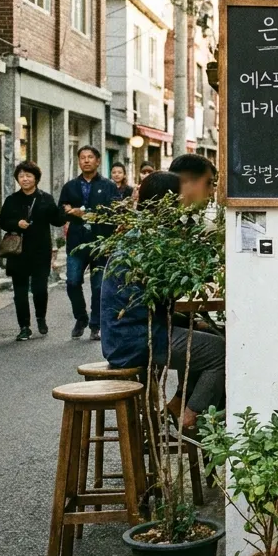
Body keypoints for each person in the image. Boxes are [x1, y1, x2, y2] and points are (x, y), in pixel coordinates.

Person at [101, 171, 225, 428]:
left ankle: (180, 405)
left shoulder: (141, 233)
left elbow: (153, 301)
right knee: (219, 352)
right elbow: (166, 293)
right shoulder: (151, 240)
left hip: (130, 332)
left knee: (206, 332)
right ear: (166, 202)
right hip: (136, 339)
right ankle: (189, 419)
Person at [57, 145, 119, 341]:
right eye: (82, 157)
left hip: (101, 242)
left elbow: (115, 212)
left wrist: (84, 213)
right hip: (76, 242)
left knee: (99, 286)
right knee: (72, 282)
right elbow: (60, 212)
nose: (86, 160)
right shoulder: (70, 186)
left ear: (98, 161)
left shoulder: (109, 186)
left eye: (90, 157)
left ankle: (96, 324)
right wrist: (67, 211)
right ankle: (81, 317)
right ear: (78, 161)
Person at [0, 161, 60, 341]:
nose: (24, 179)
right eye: (21, 176)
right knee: (20, 292)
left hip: (40, 250)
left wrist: (63, 212)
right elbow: (2, 222)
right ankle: (24, 326)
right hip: (18, 251)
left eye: (28, 176)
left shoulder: (45, 198)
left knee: (40, 289)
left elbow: (57, 220)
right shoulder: (12, 199)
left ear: (36, 178)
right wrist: (16, 224)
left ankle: (41, 317)